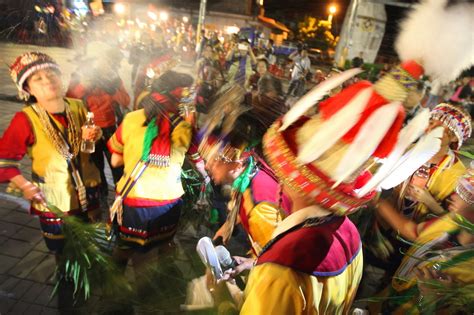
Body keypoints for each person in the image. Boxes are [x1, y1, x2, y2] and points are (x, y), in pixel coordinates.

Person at [1, 52, 102, 253]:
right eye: (38, 79)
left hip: (88, 192)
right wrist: (25, 186)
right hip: (55, 200)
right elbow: (4, 162)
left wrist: (95, 135)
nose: (48, 80)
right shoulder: (25, 119)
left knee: (90, 247)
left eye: (51, 74)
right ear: (28, 89)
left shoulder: (77, 106)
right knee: (63, 251)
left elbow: (85, 147)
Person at [107, 70, 205, 274]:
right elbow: (200, 165)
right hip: (167, 202)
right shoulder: (185, 128)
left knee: (126, 248)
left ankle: (114, 286)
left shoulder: (131, 119)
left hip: (132, 199)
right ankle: (157, 289)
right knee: (162, 246)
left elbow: (115, 160)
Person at [373, 171, 474, 314]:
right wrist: (376, 200)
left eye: (466, 196)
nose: (453, 196)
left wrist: (432, 301)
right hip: (385, 301)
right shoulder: (450, 221)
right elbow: (413, 231)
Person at [199, 110, 292, 256]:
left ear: (238, 164)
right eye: (207, 161)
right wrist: (228, 226)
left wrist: (247, 264)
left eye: (214, 162)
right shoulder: (249, 173)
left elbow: (279, 258)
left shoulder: (260, 210)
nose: (206, 167)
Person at [67, 42, 130, 199]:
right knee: (95, 167)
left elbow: (126, 100)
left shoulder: (114, 78)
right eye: (104, 60)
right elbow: (69, 99)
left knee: (118, 167)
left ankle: (121, 197)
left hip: (111, 130)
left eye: (110, 62)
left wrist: (114, 91)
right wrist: (85, 85)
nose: (107, 65)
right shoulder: (80, 76)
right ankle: (100, 200)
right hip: (89, 130)